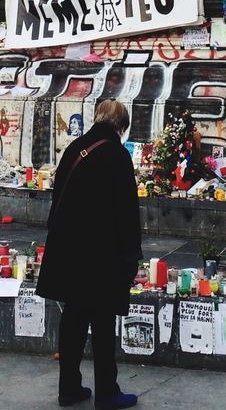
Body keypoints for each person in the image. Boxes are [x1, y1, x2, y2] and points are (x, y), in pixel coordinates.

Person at [37, 100, 142, 409]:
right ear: (121, 127)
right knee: (103, 323)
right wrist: (130, 255)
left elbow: (58, 196)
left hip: (69, 251)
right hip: (101, 255)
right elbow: (126, 211)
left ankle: (69, 388)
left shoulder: (75, 148)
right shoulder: (117, 155)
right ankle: (107, 392)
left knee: (73, 320)